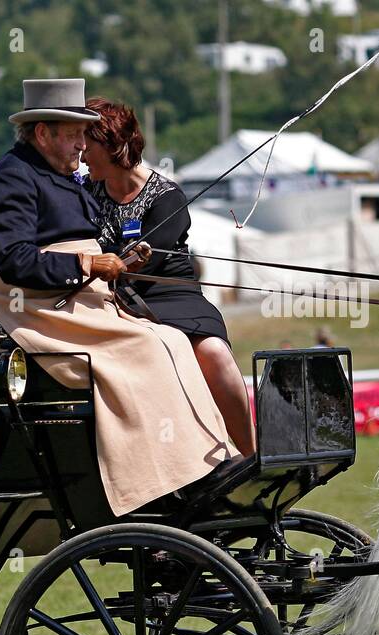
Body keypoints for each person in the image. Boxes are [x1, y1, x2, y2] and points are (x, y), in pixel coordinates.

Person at [0, 79, 232, 516]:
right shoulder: (11, 180)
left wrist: (114, 262)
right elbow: (16, 262)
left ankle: (210, 458)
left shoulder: (61, 176)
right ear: (43, 134)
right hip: (35, 309)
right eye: (75, 134)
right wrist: (89, 265)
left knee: (171, 340)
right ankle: (157, 484)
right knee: (147, 348)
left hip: (76, 297)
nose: (82, 145)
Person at [81, 97, 255, 458]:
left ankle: (251, 454)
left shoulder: (166, 196)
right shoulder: (85, 191)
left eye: (88, 145)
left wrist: (110, 266)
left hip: (170, 296)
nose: (82, 154)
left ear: (112, 145)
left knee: (213, 352)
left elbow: (143, 260)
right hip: (111, 298)